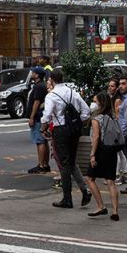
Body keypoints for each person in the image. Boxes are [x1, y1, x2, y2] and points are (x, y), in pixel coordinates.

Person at [44, 69, 92, 209]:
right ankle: (84, 190)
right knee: (71, 162)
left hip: (60, 130)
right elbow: (86, 111)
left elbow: (46, 116)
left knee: (64, 164)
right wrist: (79, 121)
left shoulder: (52, 96)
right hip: (74, 130)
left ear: (52, 80)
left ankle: (67, 198)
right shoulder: (73, 92)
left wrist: (43, 128)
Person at [85, 91, 122, 221]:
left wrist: (92, 154)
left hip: (100, 150)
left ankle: (101, 206)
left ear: (100, 103)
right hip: (111, 150)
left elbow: (95, 138)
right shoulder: (112, 116)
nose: (93, 104)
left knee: (90, 178)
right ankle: (115, 210)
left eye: (95, 101)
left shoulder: (97, 118)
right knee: (111, 181)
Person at [26, 67, 51, 174]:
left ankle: (41, 165)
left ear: (37, 75)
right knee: (43, 141)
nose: (32, 73)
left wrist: (32, 117)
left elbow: (36, 102)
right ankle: (45, 164)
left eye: (34, 72)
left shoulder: (39, 87)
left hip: (38, 117)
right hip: (41, 116)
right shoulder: (41, 85)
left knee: (39, 141)